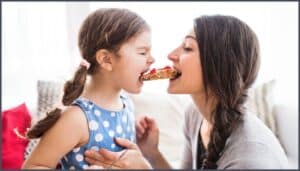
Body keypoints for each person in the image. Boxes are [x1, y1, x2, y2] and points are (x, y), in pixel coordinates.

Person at [84, 15, 289, 169]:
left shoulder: (250, 157)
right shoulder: (196, 115)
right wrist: (152, 154)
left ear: (217, 66)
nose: (171, 55)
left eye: (188, 48)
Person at [21, 8, 154, 169]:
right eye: (142, 52)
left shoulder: (127, 103)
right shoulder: (76, 118)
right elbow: (32, 166)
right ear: (106, 59)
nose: (152, 59)